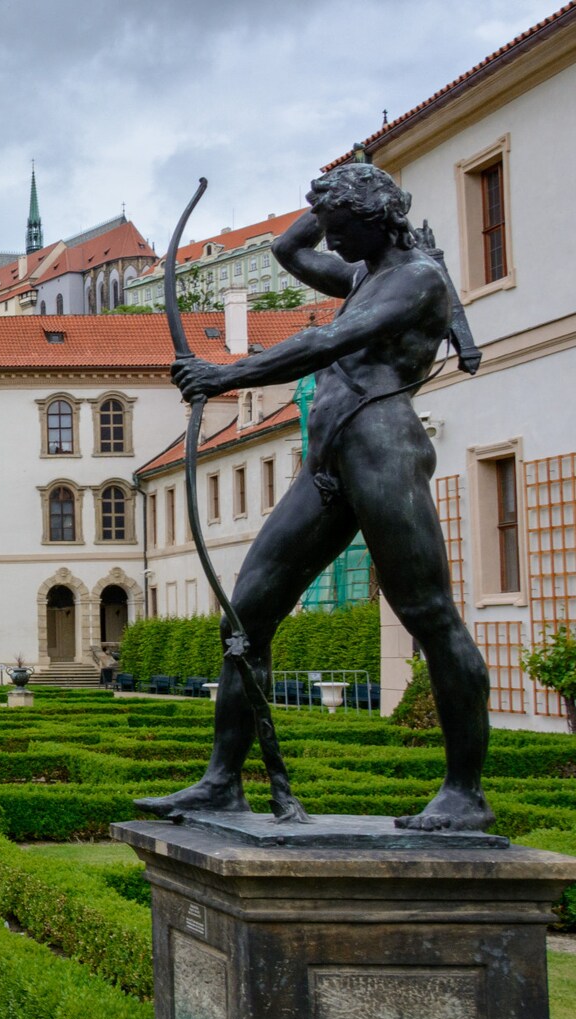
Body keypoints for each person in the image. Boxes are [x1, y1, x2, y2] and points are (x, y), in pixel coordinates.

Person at [141, 163, 489, 831]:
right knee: (245, 617)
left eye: (340, 229)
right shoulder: (363, 275)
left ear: (375, 222)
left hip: (381, 449)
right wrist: (332, 183)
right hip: (329, 455)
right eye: (329, 228)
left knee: (430, 617)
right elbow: (286, 250)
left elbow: (324, 340)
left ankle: (464, 792)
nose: (329, 243)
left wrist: (225, 375)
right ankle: (222, 780)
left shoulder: (418, 280)